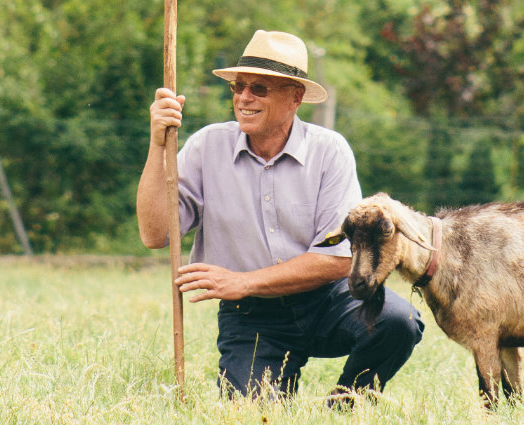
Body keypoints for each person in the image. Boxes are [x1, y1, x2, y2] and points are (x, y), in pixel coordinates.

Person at [136, 30, 423, 404]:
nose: (243, 98)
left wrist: (244, 281)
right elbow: (155, 234)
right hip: (251, 317)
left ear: (295, 97)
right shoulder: (207, 146)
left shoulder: (329, 151)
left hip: (328, 302)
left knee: (398, 321)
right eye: (238, 87)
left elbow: (337, 260)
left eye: (259, 88)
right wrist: (157, 145)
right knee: (255, 418)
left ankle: (347, 403)